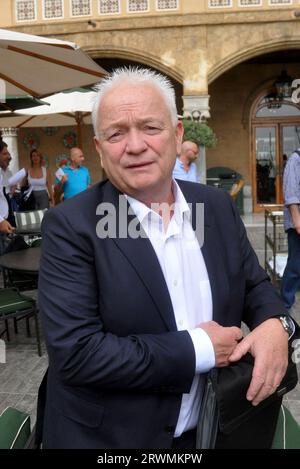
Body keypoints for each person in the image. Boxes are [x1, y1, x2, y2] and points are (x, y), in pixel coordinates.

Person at [37, 68, 292, 449]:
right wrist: (201, 348)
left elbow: (253, 284)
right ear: (99, 148)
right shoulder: (72, 225)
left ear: (176, 135)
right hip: (110, 439)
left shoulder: (214, 207)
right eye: (117, 133)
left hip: (212, 431)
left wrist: (276, 324)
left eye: (150, 127)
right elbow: (77, 353)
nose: (135, 145)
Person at [281, 147, 300, 311]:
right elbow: (291, 193)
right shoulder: (295, 159)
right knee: (295, 264)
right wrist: (297, 221)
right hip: (298, 222)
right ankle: (285, 303)